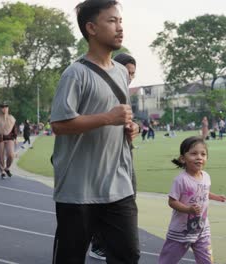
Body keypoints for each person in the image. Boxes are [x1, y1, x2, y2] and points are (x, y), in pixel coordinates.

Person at [50, 1, 140, 263]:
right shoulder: (75, 74)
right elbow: (59, 125)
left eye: (120, 21)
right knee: (70, 258)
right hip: (79, 190)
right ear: (91, 28)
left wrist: (129, 127)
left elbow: (119, 118)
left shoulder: (123, 73)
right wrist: (107, 118)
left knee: (127, 257)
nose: (120, 27)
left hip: (118, 186)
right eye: (112, 21)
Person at [88, 52, 138, 260]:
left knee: (128, 196)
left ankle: (106, 243)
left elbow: (125, 125)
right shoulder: (97, 89)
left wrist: (132, 128)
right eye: (127, 72)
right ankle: (98, 243)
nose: (130, 77)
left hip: (123, 158)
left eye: (133, 74)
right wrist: (108, 118)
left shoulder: (124, 92)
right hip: (97, 161)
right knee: (100, 203)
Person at [158, 136, 226, 264]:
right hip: (181, 232)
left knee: (206, 261)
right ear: (183, 158)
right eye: (194, 154)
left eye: (203, 154)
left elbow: (203, 192)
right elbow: (172, 201)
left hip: (202, 229)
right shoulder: (181, 180)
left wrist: (216, 197)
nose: (199, 157)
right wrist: (188, 209)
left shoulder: (206, 176)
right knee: (167, 261)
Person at [0, 102, 18, 179]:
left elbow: (14, 129)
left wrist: (15, 138)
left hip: (9, 138)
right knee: (0, 156)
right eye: (3, 107)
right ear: (0, 108)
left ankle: (7, 168)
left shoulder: (11, 118)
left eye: (6, 107)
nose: (4, 108)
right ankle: (2, 170)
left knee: (11, 155)